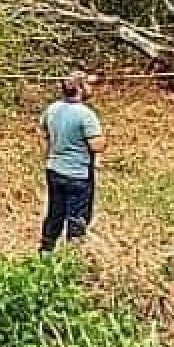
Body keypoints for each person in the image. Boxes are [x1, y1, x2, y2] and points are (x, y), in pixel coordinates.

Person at [39, 71, 106, 251]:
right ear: (80, 89)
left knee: (55, 214)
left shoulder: (51, 109)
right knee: (77, 219)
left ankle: (46, 252)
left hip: (54, 170)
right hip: (78, 175)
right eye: (88, 85)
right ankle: (72, 258)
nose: (91, 88)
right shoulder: (86, 115)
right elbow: (97, 145)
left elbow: (45, 135)